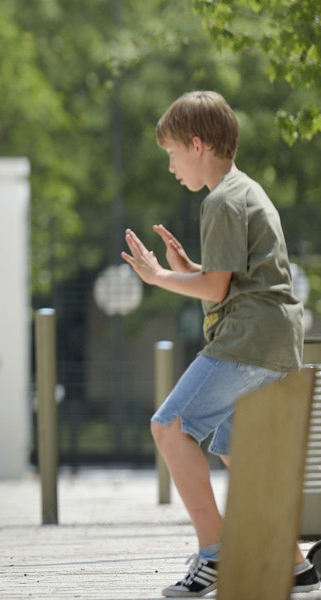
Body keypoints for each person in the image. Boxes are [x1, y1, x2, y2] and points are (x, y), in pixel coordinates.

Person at [121, 90, 316, 597]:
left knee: (168, 425)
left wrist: (159, 275)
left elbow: (217, 289)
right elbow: (228, 281)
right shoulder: (245, 191)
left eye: (172, 153)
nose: (170, 166)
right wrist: (189, 269)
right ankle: (294, 563)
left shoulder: (222, 200)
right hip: (272, 341)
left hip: (249, 341)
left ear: (198, 144)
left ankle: (215, 553)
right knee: (234, 447)